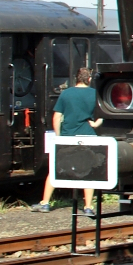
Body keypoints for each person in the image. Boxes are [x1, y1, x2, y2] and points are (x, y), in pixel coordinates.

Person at [31, 68, 104, 213]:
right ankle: (88, 207)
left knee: (55, 169)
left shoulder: (66, 93)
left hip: (68, 136)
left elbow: (56, 117)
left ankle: (45, 203)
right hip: (88, 136)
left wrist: (59, 136)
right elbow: (103, 114)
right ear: (89, 79)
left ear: (76, 78)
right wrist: (95, 124)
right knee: (88, 171)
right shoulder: (95, 94)